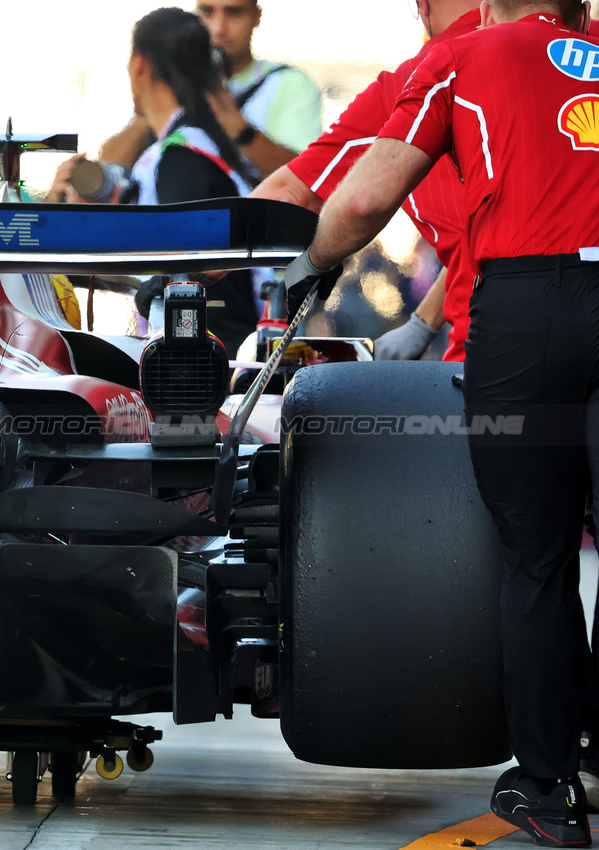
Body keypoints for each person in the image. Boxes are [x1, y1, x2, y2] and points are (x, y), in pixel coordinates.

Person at [282, 1, 597, 845]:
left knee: (535, 558)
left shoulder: (467, 54)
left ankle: (548, 789)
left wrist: (304, 271)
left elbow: (359, 205)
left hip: (526, 316)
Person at [253, 0, 481, 362]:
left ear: (422, 5)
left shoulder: (430, 72)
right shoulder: (586, 40)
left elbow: (302, 196)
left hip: (498, 346)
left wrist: (312, 261)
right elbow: (489, 235)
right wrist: (423, 322)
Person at [49, 7, 258, 355]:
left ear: (139, 66)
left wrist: (76, 225)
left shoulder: (182, 158)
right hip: (216, 355)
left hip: (211, 365)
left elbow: (185, 274)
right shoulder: (195, 146)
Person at [99, 0, 323, 181]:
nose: (218, 28)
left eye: (234, 13)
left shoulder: (287, 84)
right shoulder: (169, 82)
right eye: (207, 11)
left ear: (257, 16)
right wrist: (156, 109)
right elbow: (108, 170)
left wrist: (235, 125)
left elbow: (309, 177)